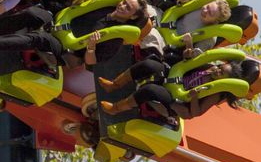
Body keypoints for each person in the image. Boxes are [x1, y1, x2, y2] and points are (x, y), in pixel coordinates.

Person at [100, 58, 260, 117]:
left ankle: (116, 108)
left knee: (150, 91)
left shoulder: (215, 94)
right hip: (172, 77)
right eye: (219, 68)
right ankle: (114, 85)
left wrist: (195, 97)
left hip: (176, 101)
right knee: (150, 64)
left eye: (220, 73)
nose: (216, 71)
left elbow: (194, 113)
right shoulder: (208, 65)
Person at [75, 0, 152, 67]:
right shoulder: (106, 5)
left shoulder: (116, 37)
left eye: (128, 8)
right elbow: (75, 7)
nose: (122, 6)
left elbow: (91, 61)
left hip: (71, 48)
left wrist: (91, 46)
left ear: (133, 16)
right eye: (124, 2)